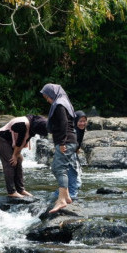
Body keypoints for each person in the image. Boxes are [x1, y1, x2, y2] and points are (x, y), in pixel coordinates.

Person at [40, 83, 78, 213]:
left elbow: (63, 123)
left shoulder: (60, 104)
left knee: (59, 168)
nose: (48, 100)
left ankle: (61, 200)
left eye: (48, 97)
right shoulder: (62, 102)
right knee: (57, 167)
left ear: (53, 94)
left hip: (66, 142)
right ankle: (66, 196)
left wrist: (62, 143)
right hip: (67, 141)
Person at [0, 115, 48, 197]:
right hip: (2, 139)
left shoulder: (36, 125)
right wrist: (15, 155)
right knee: (11, 162)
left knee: (19, 162)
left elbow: (25, 141)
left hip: (12, 142)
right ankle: (11, 192)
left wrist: (18, 154)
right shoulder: (23, 124)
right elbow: (19, 141)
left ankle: (20, 190)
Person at [67, 110, 87, 199]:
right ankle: (70, 199)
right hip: (68, 159)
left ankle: (55, 197)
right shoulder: (73, 132)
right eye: (80, 121)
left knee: (75, 183)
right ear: (75, 121)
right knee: (76, 183)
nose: (82, 123)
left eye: (84, 121)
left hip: (73, 157)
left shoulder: (79, 131)